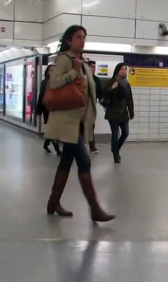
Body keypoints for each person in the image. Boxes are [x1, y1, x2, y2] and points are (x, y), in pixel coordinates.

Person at [44, 25, 115, 223]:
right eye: (78, 37)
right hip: (67, 121)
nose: (82, 40)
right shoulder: (64, 60)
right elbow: (54, 83)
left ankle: (53, 202)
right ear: (69, 40)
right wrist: (73, 73)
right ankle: (95, 209)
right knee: (84, 161)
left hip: (78, 122)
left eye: (84, 37)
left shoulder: (81, 62)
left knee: (66, 161)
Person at [104, 63, 134, 163]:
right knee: (115, 134)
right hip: (113, 112)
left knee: (125, 133)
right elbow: (104, 93)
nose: (123, 71)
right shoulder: (111, 81)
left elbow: (129, 99)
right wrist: (112, 88)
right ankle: (115, 155)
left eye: (125, 69)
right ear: (117, 70)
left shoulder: (126, 84)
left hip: (123, 113)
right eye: (121, 69)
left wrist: (131, 111)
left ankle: (115, 149)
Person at [36, 65, 61, 155]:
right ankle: (57, 150)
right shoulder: (45, 83)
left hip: (56, 108)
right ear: (47, 72)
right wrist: (38, 109)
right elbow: (41, 96)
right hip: (47, 109)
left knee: (52, 128)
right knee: (53, 128)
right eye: (51, 70)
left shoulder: (58, 82)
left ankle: (46, 144)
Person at [87, 60, 102, 154]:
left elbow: (100, 93)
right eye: (92, 66)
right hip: (83, 105)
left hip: (92, 105)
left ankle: (92, 146)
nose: (94, 68)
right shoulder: (83, 78)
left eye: (94, 67)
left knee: (91, 126)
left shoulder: (96, 79)